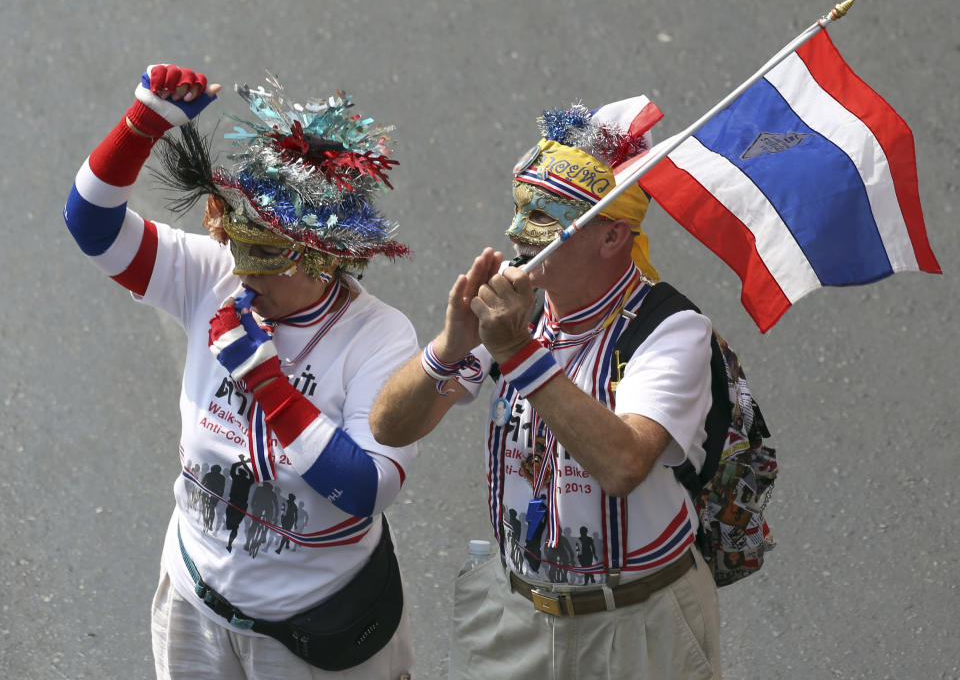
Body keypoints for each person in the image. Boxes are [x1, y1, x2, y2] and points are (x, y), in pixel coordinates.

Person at [65, 65, 418, 679]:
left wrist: (267, 385)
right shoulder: (213, 273)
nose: (244, 275)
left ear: (324, 256)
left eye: (265, 259)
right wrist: (142, 123)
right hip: (195, 606)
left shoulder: (382, 338)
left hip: (315, 635)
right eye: (238, 246)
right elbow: (91, 226)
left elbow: (368, 490)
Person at [371, 97, 721, 678]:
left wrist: (516, 354)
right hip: (516, 617)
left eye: (539, 217)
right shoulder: (522, 313)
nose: (513, 231)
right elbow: (389, 427)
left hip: (636, 625)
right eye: (516, 209)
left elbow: (623, 464)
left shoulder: (672, 329)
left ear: (611, 238)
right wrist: (449, 347)